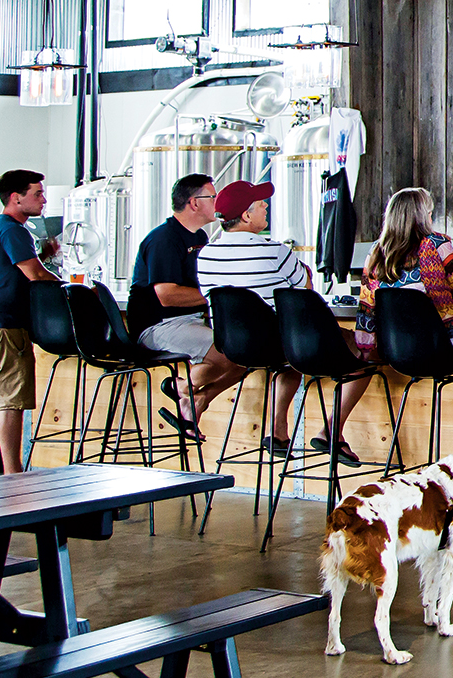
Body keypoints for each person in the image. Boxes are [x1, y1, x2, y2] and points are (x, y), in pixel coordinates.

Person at [195, 180, 370, 462]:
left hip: (236, 347)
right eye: (260, 204)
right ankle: (331, 432)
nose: (266, 206)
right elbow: (304, 291)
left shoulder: (206, 255)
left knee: (291, 357)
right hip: (282, 343)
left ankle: (277, 430)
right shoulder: (273, 250)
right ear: (246, 216)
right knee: (363, 351)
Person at [357, 188, 453, 447]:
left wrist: (366, 348)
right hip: (450, 345)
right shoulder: (437, 243)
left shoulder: (376, 253)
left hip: (399, 355)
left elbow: (366, 309)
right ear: (422, 215)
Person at [132, 173, 249, 444]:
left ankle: (192, 399)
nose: (218, 201)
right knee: (231, 351)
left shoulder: (199, 238)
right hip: (158, 325)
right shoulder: (164, 239)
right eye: (213, 196)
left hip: (191, 321)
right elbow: (167, 295)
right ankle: (182, 387)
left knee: (246, 353)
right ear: (194, 203)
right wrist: (214, 295)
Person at [0, 169, 59, 477]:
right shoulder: (14, 230)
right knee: (10, 404)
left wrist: (43, 253)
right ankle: (12, 475)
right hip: (3, 328)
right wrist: (69, 287)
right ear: (16, 198)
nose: (43, 200)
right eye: (37, 194)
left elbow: (17, 267)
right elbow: (35, 275)